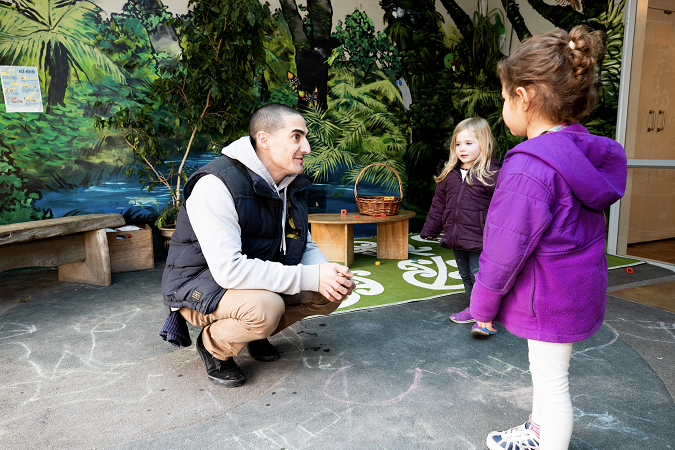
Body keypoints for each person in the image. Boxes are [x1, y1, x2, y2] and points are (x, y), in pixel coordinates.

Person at [470, 27, 627, 449]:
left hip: (548, 297)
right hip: (576, 289)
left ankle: (548, 440)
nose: (504, 104)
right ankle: (538, 431)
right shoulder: (582, 153)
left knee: (552, 382)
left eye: (505, 97)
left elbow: (504, 250)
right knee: (548, 374)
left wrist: (482, 306)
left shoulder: (529, 167)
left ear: (524, 96)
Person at [160, 103, 356, 388]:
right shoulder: (216, 185)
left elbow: (303, 241)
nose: (308, 148)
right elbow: (228, 271)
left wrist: (327, 273)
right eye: (297, 137)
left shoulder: (288, 184)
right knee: (265, 308)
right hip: (198, 286)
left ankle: (252, 333)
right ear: (264, 140)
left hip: (249, 280)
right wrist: (312, 277)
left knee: (330, 292)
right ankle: (214, 346)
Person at [420, 118, 500, 336]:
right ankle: (474, 309)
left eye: (469, 143)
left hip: (481, 237)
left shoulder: (492, 174)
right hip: (457, 235)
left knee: (480, 275)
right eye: (458, 144)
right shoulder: (450, 174)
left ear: (483, 143)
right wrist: (430, 229)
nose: (462, 149)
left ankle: (486, 316)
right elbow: (439, 204)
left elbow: (503, 208)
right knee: (465, 275)